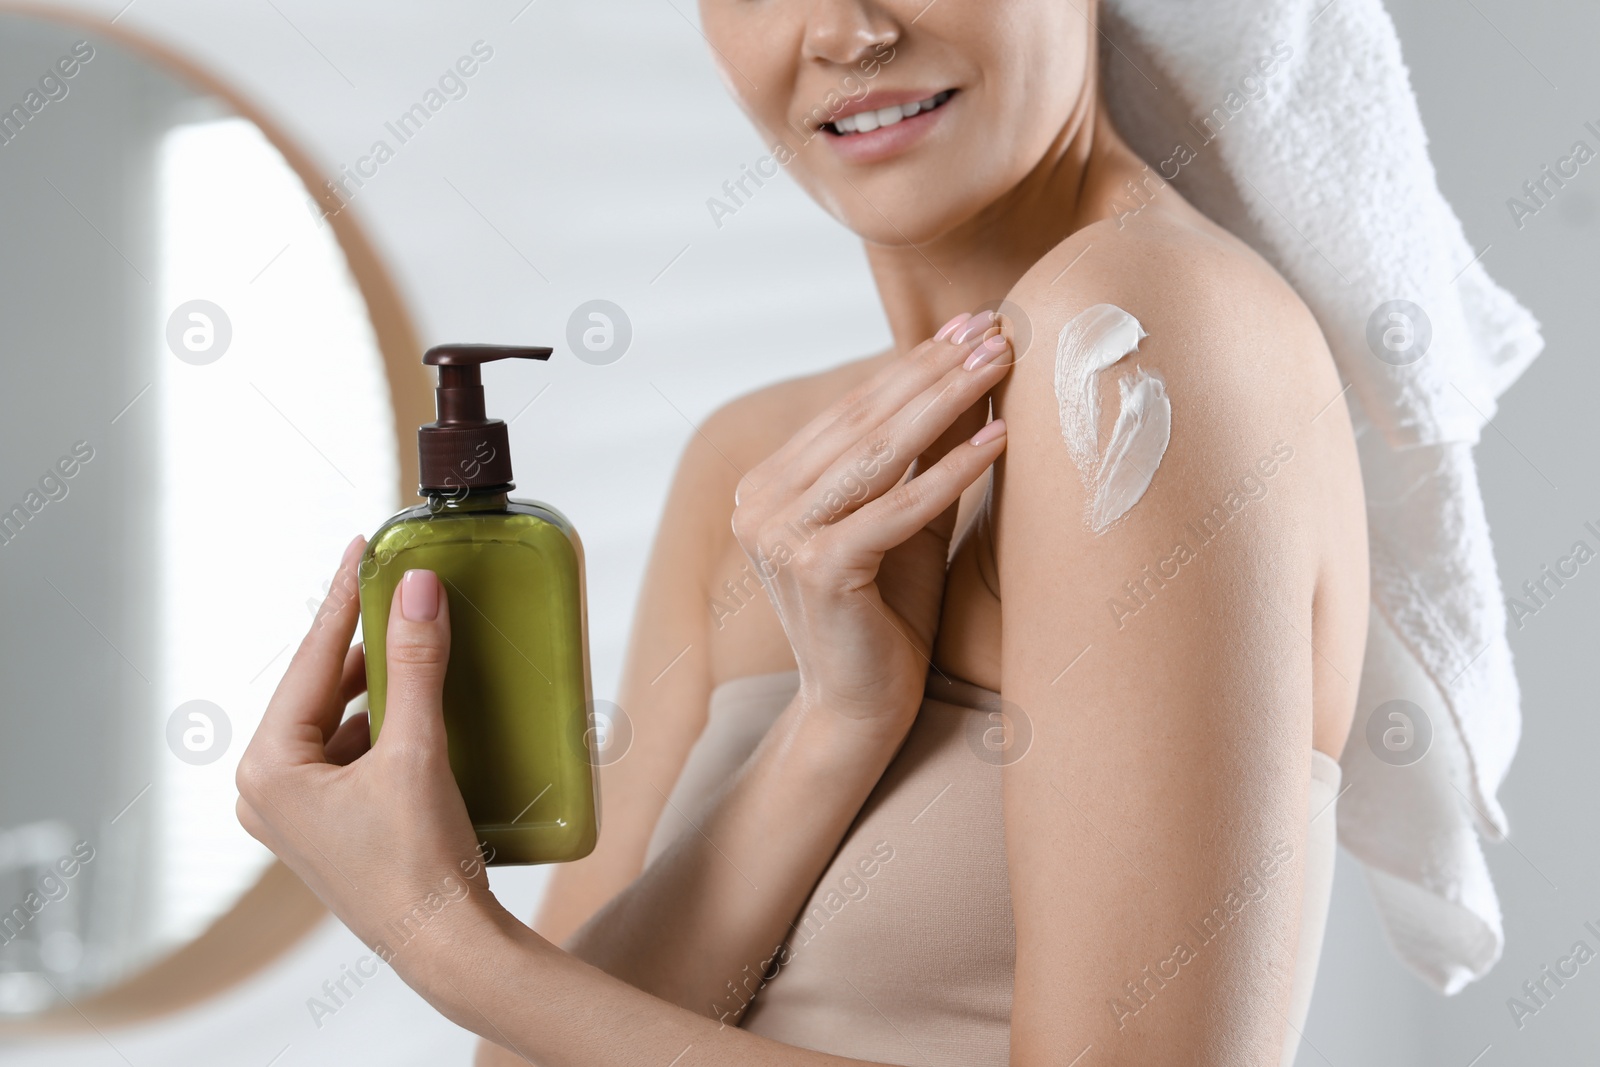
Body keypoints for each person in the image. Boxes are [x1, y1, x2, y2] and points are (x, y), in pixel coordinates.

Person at [236, 1, 1368, 1063]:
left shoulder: (1134, 339)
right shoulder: (758, 462)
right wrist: (836, 726)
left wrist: (436, 937)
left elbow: (511, 997)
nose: (845, 31)